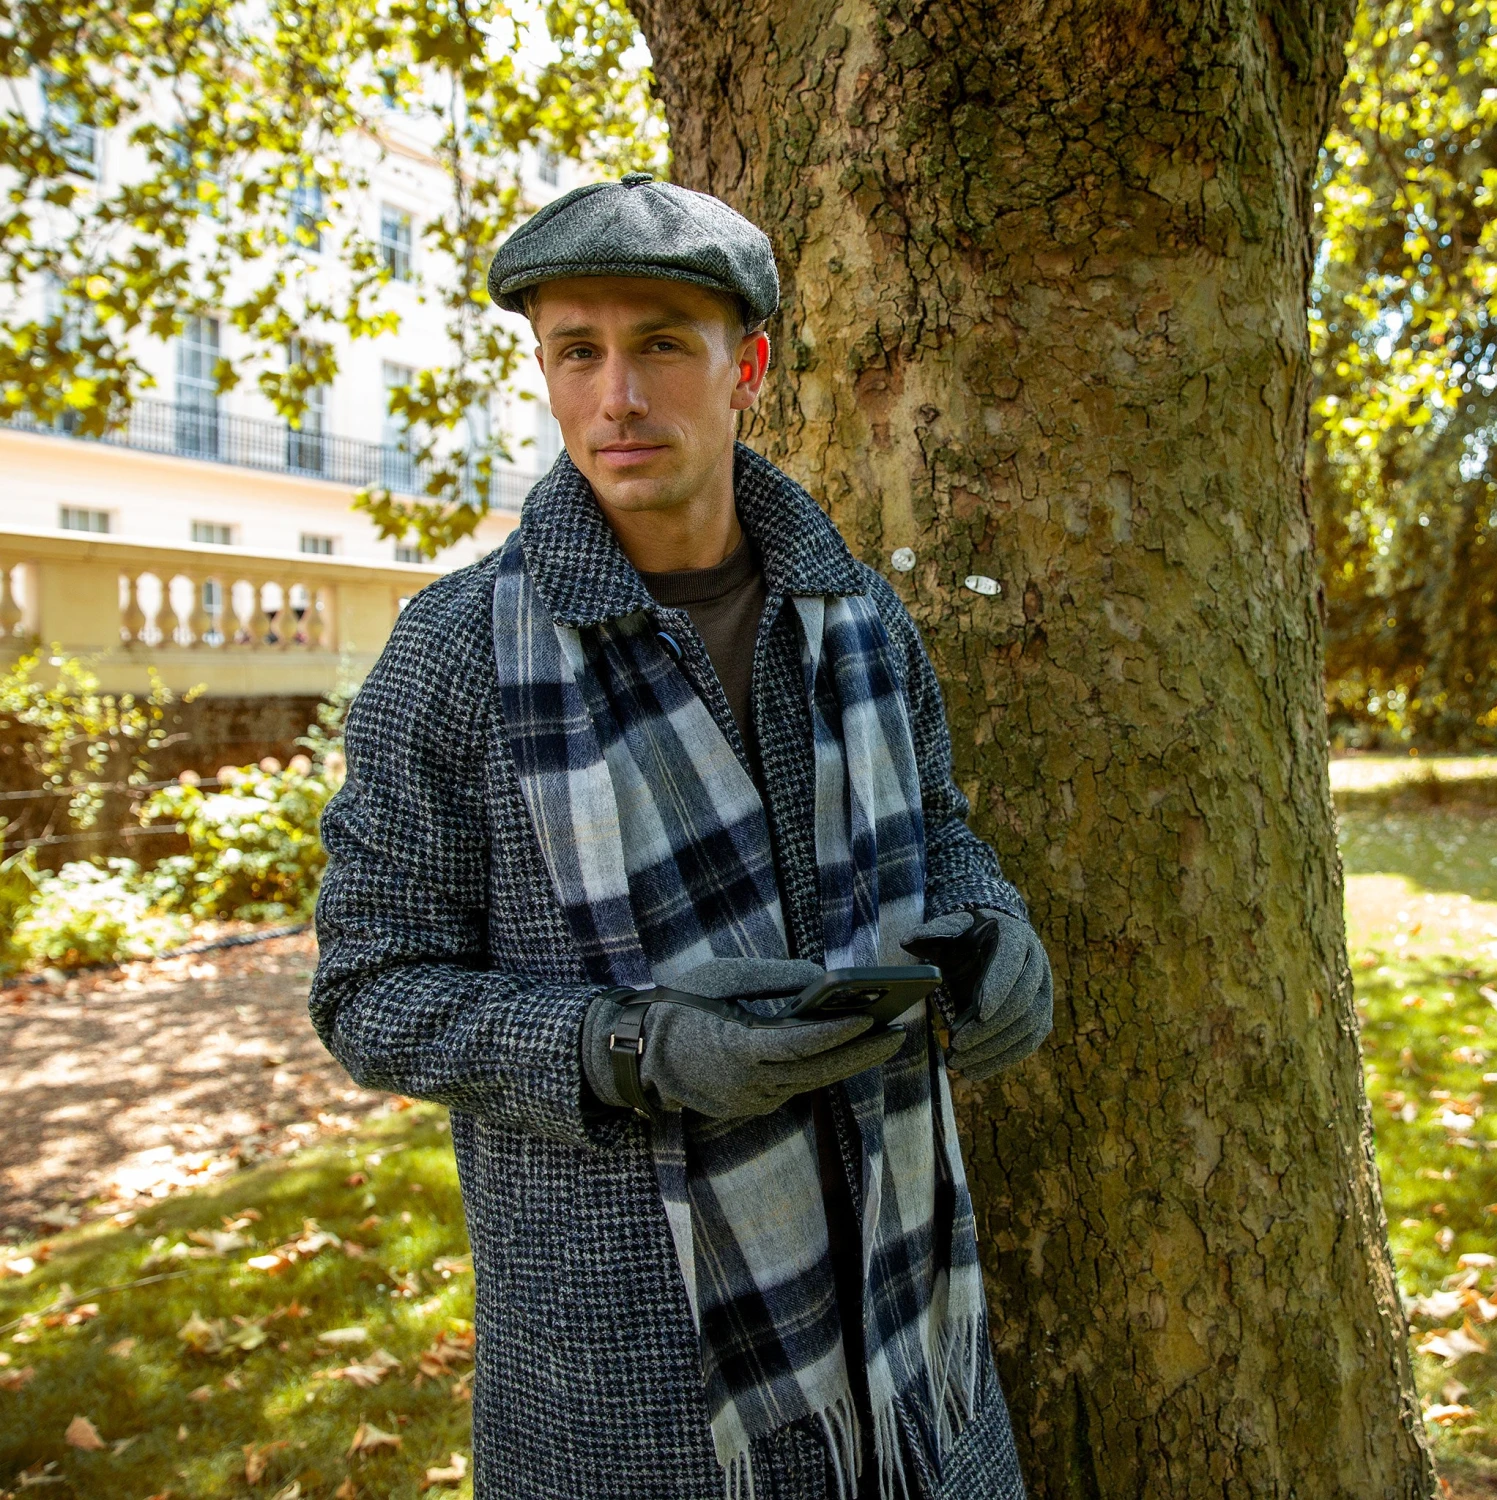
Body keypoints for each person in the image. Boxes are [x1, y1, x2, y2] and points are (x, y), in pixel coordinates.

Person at [309, 171, 1053, 1500]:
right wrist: (632, 1050)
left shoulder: (860, 621)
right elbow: (370, 992)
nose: (618, 397)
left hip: (910, 1347)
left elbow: (941, 835)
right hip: (631, 1382)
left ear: (745, 368)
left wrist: (998, 939)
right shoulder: (456, 654)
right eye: (576, 352)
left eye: (660, 344)